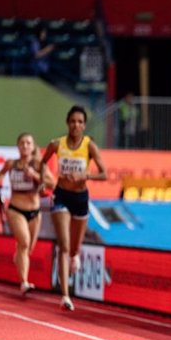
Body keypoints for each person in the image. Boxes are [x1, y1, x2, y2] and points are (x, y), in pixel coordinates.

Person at [41, 105, 107, 311]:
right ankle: (65, 295)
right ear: (67, 123)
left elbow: (104, 174)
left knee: (74, 248)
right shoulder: (56, 144)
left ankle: (75, 255)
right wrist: (48, 180)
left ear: (84, 125)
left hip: (80, 197)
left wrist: (84, 175)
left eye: (80, 122)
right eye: (73, 121)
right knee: (64, 244)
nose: (76, 125)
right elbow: (41, 163)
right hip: (61, 195)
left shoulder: (89, 146)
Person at [0, 133, 55, 295]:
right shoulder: (11, 164)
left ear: (33, 146)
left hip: (34, 211)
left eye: (28, 143)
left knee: (27, 248)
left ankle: (18, 258)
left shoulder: (39, 165)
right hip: (15, 209)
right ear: (18, 146)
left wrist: (34, 175)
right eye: (22, 143)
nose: (25, 146)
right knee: (24, 243)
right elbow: (0, 175)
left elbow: (53, 183)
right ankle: (24, 283)